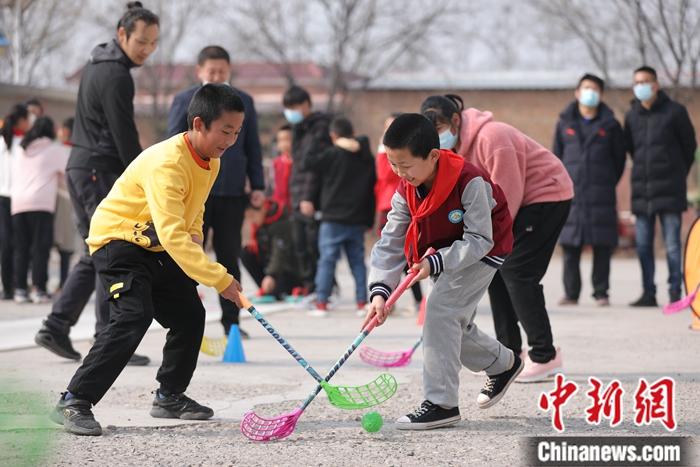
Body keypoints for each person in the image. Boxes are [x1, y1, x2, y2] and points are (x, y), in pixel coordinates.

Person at [49, 83, 246, 437]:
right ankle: (74, 400)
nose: (230, 140)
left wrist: (197, 234)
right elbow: (172, 233)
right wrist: (220, 279)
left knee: (189, 313)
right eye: (225, 131)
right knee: (132, 316)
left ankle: (170, 395)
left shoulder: (211, 160)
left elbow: (193, 207)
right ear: (199, 124)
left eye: (237, 132)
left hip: (155, 244)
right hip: (119, 239)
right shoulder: (167, 162)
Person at [363, 113, 521, 430]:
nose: (399, 173)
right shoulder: (406, 187)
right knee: (448, 325)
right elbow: (391, 240)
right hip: (445, 253)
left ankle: (442, 403)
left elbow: (480, 239)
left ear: (433, 156)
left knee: (440, 311)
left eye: (405, 165)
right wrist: (380, 291)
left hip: (484, 250)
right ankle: (502, 363)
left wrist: (434, 263)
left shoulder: (469, 181)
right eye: (394, 164)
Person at [35, 1, 159, 365]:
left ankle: (68, 328)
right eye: (142, 42)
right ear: (122, 35)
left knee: (99, 250)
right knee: (109, 250)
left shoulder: (100, 65)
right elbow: (122, 132)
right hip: (96, 169)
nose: (147, 50)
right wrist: (143, 174)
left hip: (87, 168)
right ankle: (94, 333)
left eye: (153, 43)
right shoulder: (115, 74)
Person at [421, 94, 573, 383]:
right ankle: (509, 355)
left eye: (440, 128)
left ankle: (545, 355)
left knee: (518, 271)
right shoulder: (452, 152)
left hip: (545, 196)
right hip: (512, 205)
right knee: (493, 268)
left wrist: (481, 238)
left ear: (455, 120)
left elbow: (507, 196)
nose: (438, 138)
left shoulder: (493, 137)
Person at [167, 45, 263, 338]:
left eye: (222, 71)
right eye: (212, 71)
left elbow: (253, 147)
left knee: (228, 255)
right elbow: (173, 142)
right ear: (200, 72)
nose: (217, 75)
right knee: (187, 253)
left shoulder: (242, 102)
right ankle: (183, 320)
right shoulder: (185, 100)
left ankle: (231, 323)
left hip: (231, 192)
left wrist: (257, 184)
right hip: (195, 192)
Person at [624, 65, 697, 307]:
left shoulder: (675, 112)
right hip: (642, 191)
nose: (641, 86)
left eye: (645, 81)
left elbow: (689, 147)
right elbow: (631, 149)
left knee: (673, 245)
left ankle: (676, 292)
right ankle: (648, 293)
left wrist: (677, 173)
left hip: (670, 189)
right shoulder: (632, 115)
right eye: (637, 82)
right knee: (643, 245)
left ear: (656, 85)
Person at [553, 74, 626, 307]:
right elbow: (556, 158)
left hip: (600, 193)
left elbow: (619, 161)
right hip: (571, 193)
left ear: (601, 94)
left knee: (602, 245)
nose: (589, 92)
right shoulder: (564, 122)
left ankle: (601, 292)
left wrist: (604, 181)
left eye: (594, 89)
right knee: (570, 245)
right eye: (585, 88)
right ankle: (571, 293)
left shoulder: (611, 125)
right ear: (577, 92)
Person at [301, 116, 375, 316]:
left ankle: (322, 303)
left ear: (333, 135)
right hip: (357, 218)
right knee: (358, 262)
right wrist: (369, 219)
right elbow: (371, 189)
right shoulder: (365, 157)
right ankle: (362, 303)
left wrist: (317, 139)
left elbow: (307, 162)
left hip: (333, 218)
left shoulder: (332, 154)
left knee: (327, 260)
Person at [11, 116, 70, 303]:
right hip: (41, 204)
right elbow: (67, 174)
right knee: (40, 248)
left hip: (18, 203)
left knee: (21, 248)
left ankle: (19, 289)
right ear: (49, 131)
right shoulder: (53, 150)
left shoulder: (21, 148)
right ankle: (39, 289)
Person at [282, 85, 333, 295]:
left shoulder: (320, 127)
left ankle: (321, 289)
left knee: (314, 246)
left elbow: (314, 167)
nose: (290, 112)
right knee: (300, 245)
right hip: (297, 192)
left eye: (293, 107)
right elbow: (298, 165)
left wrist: (308, 197)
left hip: (311, 196)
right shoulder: (298, 128)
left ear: (305, 105)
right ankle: (310, 287)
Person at [375, 112, 423, 313]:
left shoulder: (405, 152)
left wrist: (383, 153)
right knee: (391, 253)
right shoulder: (390, 151)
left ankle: (416, 299)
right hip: (387, 203)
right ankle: (389, 298)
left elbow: (385, 175)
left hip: (402, 203)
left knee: (405, 255)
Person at [240, 198, 301, 300]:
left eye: (252, 216)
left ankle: (277, 288)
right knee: (246, 253)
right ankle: (267, 288)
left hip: (290, 269)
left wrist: (271, 275)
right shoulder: (263, 222)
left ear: (263, 209)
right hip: (274, 267)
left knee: (278, 292)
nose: (252, 221)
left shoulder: (280, 221)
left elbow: (280, 252)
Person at [0, 104, 30, 300]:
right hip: (19, 197)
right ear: (21, 120)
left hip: (2, 195)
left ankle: (7, 287)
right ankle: (19, 286)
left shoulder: (3, 141)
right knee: (20, 244)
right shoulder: (24, 143)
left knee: (5, 243)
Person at [54, 117, 81, 291]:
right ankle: (63, 282)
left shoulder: (64, 151)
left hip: (64, 200)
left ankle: (64, 282)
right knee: (65, 245)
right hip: (65, 200)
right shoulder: (78, 152)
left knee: (65, 245)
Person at [270, 124, 293, 210]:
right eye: (280, 140)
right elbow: (271, 187)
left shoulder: (300, 163)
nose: (284, 144)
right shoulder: (275, 163)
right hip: (278, 209)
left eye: (287, 139)